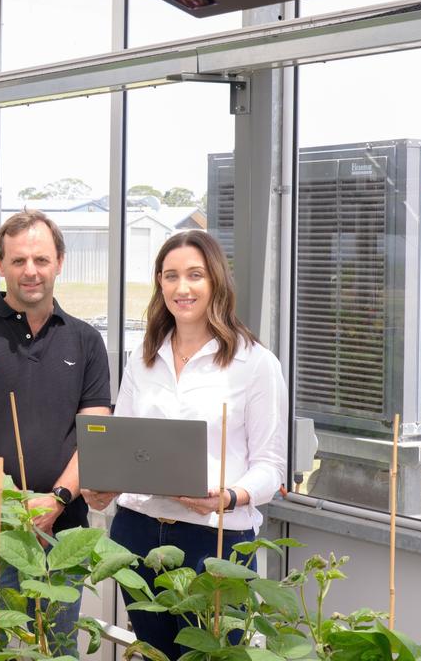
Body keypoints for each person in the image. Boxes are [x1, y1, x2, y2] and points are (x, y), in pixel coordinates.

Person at [83, 229, 287, 660]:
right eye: (170, 275)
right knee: (156, 654)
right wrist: (107, 485)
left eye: (195, 275)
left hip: (214, 543)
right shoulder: (143, 356)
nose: (182, 287)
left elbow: (272, 466)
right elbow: (126, 442)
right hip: (138, 531)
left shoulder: (255, 364)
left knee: (210, 655)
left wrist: (229, 497)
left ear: (216, 281)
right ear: (160, 283)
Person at [0, 210, 112, 657]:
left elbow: (95, 434)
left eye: (40, 259)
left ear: (59, 262)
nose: (30, 271)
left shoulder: (86, 341)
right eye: (18, 261)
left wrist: (56, 502)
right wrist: (17, 507)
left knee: (56, 647)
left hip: (63, 529)